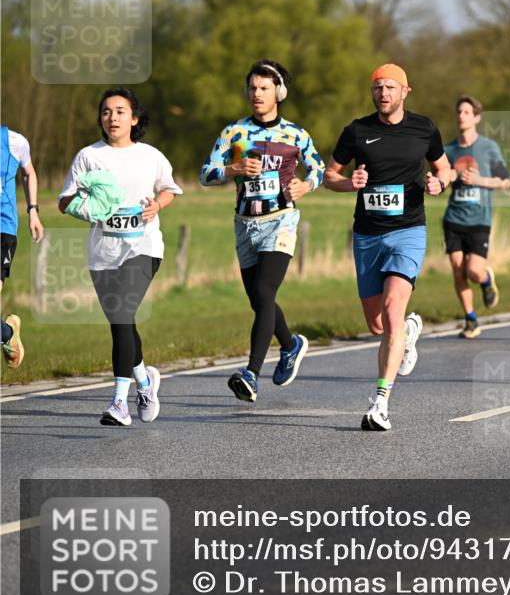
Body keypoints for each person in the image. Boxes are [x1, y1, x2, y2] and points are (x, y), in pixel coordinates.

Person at [324, 64, 450, 430]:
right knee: (378, 322)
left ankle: (380, 402)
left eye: (390, 87)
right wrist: (351, 182)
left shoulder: (424, 128)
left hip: (408, 231)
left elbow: (445, 169)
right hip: (367, 235)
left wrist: (439, 183)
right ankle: (408, 332)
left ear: (405, 92)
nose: (383, 93)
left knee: (392, 312)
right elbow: (330, 176)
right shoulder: (357, 130)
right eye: (377, 87)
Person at [200, 59, 324, 403]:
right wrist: (232, 169)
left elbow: (320, 168)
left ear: (278, 93)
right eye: (253, 88)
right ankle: (290, 344)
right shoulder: (233, 133)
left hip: (281, 220)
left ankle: (251, 373)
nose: (257, 94)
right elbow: (205, 173)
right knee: (259, 299)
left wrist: (307, 185)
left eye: (264, 88)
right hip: (244, 224)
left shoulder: (296, 134)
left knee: (266, 290)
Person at [58, 87, 182, 425]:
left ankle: (118, 403)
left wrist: (157, 205)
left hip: (143, 247)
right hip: (103, 253)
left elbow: (169, 189)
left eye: (120, 111)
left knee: (124, 314)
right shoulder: (88, 156)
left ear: (134, 118)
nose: (112, 117)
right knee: (120, 324)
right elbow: (65, 200)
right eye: (107, 111)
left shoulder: (150, 155)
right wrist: (90, 210)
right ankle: (144, 381)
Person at [442, 95, 509, 338]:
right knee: (457, 269)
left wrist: (479, 180)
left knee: (473, 270)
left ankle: (486, 278)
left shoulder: (489, 147)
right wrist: (439, 180)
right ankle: (470, 319)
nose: (461, 116)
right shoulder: (448, 149)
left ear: (477, 117)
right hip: (453, 218)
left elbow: (506, 180)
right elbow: (440, 181)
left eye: (467, 112)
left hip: (480, 220)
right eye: (459, 112)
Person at [1, 125, 44, 370]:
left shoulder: (15, 141)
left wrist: (33, 212)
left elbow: (29, 173)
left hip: (2, 229)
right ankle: (7, 332)